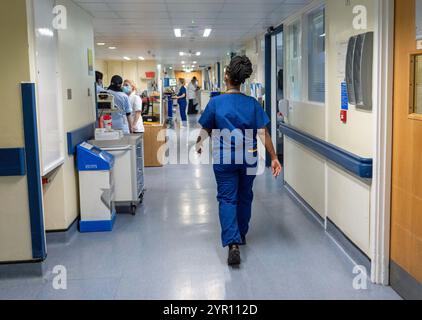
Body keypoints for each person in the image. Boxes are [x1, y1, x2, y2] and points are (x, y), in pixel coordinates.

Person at [196, 56, 282, 266]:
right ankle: (241, 235)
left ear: (226, 77)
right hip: (249, 158)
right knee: (245, 197)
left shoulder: (216, 102)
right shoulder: (252, 103)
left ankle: (232, 242)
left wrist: (198, 144)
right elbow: (263, 133)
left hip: (225, 159)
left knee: (227, 198)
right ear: (242, 80)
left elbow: (205, 128)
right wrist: (274, 157)